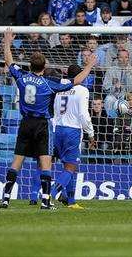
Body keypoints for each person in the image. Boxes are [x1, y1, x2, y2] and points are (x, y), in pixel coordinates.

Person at [0, 29, 96, 210]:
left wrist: (7, 42)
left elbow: (9, 61)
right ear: (44, 67)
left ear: (30, 65)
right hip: (43, 125)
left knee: (17, 161)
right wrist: (89, 66)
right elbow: (75, 80)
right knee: (46, 162)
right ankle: (46, 199)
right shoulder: (49, 83)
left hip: (26, 122)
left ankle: (5, 198)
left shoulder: (22, 77)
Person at [51, 64, 95, 209]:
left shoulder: (60, 88)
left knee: (67, 167)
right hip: (73, 131)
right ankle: (50, 194)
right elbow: (83, 114)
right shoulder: (82, 90)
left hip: (58, 130)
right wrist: (91, 133)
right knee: (71, 166)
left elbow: (55, 111)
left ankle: (71, 201)